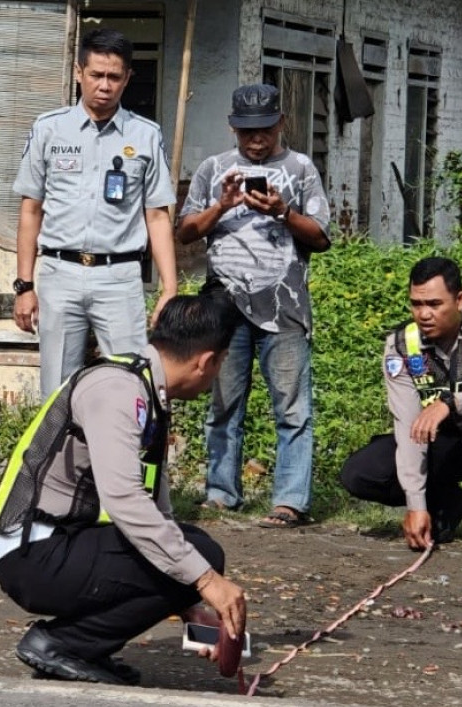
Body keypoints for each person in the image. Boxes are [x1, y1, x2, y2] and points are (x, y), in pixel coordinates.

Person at [0, 294, 248, 686]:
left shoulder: (144, 388)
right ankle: (60, 643)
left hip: (55, 543)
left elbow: (157, 512)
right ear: (207, 361)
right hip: (33, 554)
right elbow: (124, 500)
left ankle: (80, 646)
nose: (217, 373)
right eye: (222, 362)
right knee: (201, 558)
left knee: (193, 546)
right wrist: (206, 581)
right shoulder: (118, 390)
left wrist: (190, 600)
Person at [175, 84, 331, 527]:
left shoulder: (301, 169)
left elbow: (320, 238)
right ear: (233, 127)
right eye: (246, 132)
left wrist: (283, 212)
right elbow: (185, 232)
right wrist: (222, 206)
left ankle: (290, 501)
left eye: (264, 130)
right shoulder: (213, 169)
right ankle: (222, 493)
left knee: (292, 407)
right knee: (223, 404)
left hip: (284, 307)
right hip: (224, 305)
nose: (255, 140)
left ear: (281, 122)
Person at [11, 28, 178, 399]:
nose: (105, 85)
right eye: (96, 75)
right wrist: (25, 285)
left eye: (114, 77)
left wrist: (170, 287)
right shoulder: (49, 129)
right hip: (59, 273)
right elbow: (31, 210)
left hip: (118, 277)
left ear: (128, 78)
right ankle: (58, 458)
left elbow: (157, 216)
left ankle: (124, 458)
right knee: (57, 390)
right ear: (78, 72)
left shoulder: (146, 135)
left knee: (134, 384)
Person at [338, 257, 462, 568]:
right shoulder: (401, 346)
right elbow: (408, 425)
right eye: (416, 304)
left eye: (435, 304)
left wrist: (451, 403)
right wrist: (416, 505)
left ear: (460, 300)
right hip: (437, 443)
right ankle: (447, 506)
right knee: (360, 471)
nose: (424, 314)